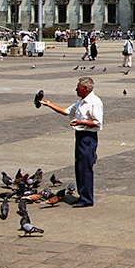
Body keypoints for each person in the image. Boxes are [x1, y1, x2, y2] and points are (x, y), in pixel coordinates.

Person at [39, 77, 102, 207]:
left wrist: (80, 122)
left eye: (78, 87)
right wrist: (49, 104)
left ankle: (87, 199)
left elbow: (97, 123)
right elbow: (66, 111)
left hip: (88, 137)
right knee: (79, 167)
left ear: (85, 88)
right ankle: (82, 195)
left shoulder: (94, 102)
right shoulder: (80, 102)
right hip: (80, 136)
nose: (76, 90)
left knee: (86, 168)